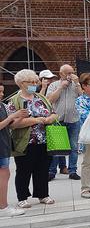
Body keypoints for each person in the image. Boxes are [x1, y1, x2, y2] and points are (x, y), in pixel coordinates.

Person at [7, 69, 59, 209]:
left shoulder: (41, 98)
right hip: (26, 142)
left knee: (42, 168)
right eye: (32, 82)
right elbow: (12, 124)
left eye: (36, 81)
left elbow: (54, 113)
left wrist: (49, 119)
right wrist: (35, 120)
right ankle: (22, 197)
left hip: (44, 140)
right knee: (24, 170)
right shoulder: (14, 101)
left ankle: (43, 194)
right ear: (22, 83)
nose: (35, 84)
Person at [46, 64, 82, 181]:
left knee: (74, 146)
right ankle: (52, 171)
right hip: (58, 120)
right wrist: (60, 87)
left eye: (72, 72)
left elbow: (82, 98)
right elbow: (50, 100)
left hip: (73, 119)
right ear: (61, 74)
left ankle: (73, 170)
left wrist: (77, 84)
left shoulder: (75, 85)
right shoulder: (54, 85)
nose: (70, 75)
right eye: (68, 73)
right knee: (57, 147)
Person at [0, 84, 29, 217]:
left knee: (5, 175)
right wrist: (12, 117)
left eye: (2, 91)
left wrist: (20, 117)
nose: (1, 94)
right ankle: (3, 207)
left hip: (4, 145)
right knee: (3, 175)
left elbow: (10, 125)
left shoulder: (2, 106)